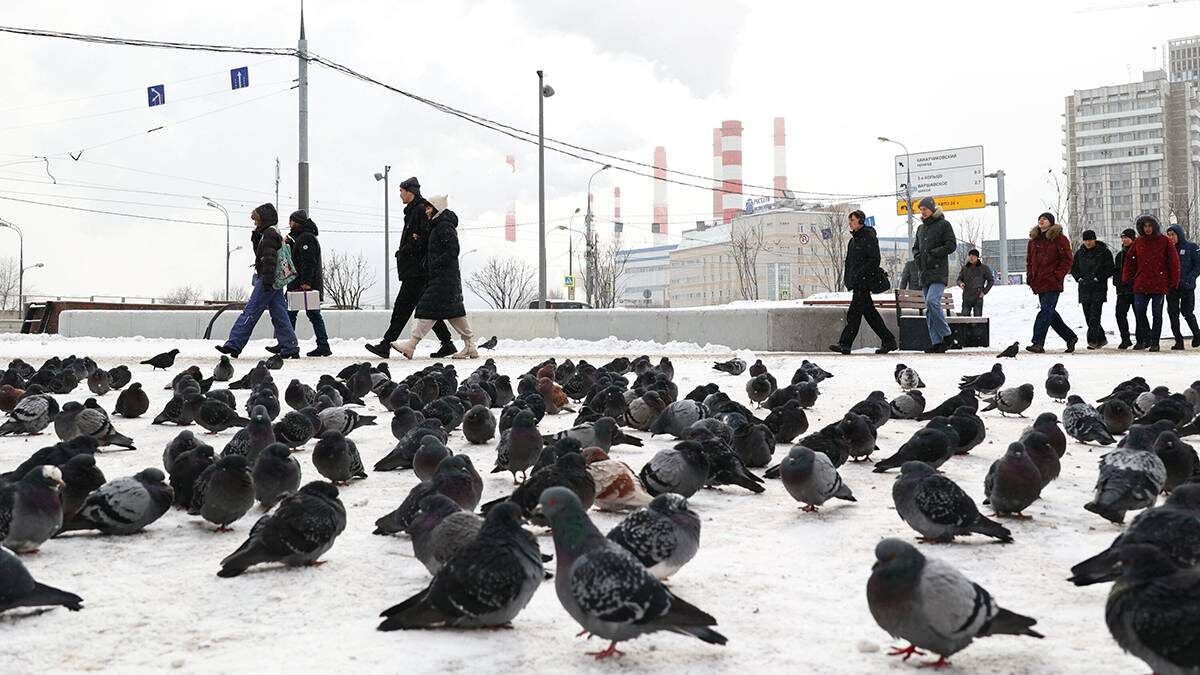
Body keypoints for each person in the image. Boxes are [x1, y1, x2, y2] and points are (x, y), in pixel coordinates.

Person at [364, 177, 456, 359]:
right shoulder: (415, 210)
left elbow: (425, 237)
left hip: (417, 269)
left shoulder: (420, 210)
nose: (400, 195)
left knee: (402, 308)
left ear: (410, 191)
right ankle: (447, 343)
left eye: (401, 191)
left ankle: (386, 344)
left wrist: (406, 250)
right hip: (415, 268)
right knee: (425, 309)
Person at [391, 195, 477, 359]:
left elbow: (453, 250)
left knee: (425, 309)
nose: (427, 211)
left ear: (437, 208)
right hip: (443, 278)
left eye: (429, 208)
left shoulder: (444, 226)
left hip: (443, 278)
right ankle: (470, 345)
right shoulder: (437, 226)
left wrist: (434, 264)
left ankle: (411, 345)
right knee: (455, 313)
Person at [216, 204, 299, 359]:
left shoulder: (268, 234)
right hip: (275, 280)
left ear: (264, 219)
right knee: (279, 313)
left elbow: (268, 259)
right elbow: (262, 254)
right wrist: (255, 237)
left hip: (268, 279)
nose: (254, 222)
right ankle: (290, 346)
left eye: (256, 219)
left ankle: (234, 344)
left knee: (251, 311)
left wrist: (266, 281)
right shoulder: (272, 232)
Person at [828, 210, 896, 355]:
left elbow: (874, 260)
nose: (850, 223)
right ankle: (889, 340)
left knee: (854, 313)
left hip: (865, 281)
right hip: (857, 282)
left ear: (860, 220)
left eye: (852, 220)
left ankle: (845, 344)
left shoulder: (868, 236)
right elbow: (849, 263)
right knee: (870, 314)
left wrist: (860, 274)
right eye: (850, 220)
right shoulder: (853, 240)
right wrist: (849, 279)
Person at [272, 209, 331, 357]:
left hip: (303, 283)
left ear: (297, 222)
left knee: (294, 314)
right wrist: (289, 244)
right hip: (299, 282)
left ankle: (288, 344)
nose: (289, 224)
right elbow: (297, 257)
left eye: (291, 221)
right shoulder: (300, 238)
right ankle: (319, 345)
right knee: (305, 315)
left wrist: (306, 282)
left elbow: (308, 261)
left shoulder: (306, 238)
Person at [1123, 214, 1180, 352]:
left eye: (1150, 225)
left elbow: (1174, 262)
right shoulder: (1138, 242)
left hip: (1159, 284)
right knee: (1140, 312)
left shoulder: (1164, 241)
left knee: (1157, 314)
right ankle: (1147, 336)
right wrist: (1126, 278)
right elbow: (1130, 261)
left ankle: (1155, 341)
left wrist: (1174, 281)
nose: (1147, 228)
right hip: (1141, 283)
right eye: (1145, 226)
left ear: (1154, 226)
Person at [1025, 212, 1077, 354]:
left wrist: (1057, 275)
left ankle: (1038, 342)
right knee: (1049, 313)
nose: (1041, 220)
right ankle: (1070, 337)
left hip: (1053, 282)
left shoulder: (1059, 239)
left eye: (1045, 219)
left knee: (1045, 311)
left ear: (1051, 223)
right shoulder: (1033, 241)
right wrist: (1030, 277)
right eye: (1040, 218)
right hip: (1039, 282)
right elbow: (1029, 261)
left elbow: (1067, 260)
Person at [911, 196, 957, 353]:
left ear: (932, 208)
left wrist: (933, 254)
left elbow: (951, 245)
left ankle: (947, 334)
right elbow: (915, 247)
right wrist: (918, 258)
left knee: (932, 301)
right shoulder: (920, 228)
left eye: (924, 209)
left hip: (938, 271)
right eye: (920, 210)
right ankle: (936, 342)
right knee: (929, 309)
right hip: (924, 273)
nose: (922, 212)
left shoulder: (944, 225)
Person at [1070, 229, 1114, 350]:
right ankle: (1102, 339)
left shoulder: (1104, 252)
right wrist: (1078, 277)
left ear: (1095, 239)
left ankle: (1093, 341)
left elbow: (1110, 268)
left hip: (1098, 288)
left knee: (1095, 316)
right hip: (1084, 288)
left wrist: (1098, 277)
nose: (1088, 243)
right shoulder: (1079, 253)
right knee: (1088, 316)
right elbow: (1074, 268)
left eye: (1090, 240)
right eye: (1085, 240)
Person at [1166, 224, 1200, 350]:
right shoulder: (1167, 249)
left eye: (1173, 235)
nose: (1171, 237)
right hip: (1172, 287)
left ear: (1179, 234)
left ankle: (1197, 334)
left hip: (1187, 286)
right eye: (1169, 235)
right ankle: (1178, 341)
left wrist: (1190, 278)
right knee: (1173, 314)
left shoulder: (1191, 247)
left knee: (1187, 312)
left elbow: (1198, 265)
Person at [1112, 228, 1137, 349]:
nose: (1124, 240)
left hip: (1136, 289)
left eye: (1127, 237)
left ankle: (1142, 338)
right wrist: (1118, 283)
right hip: (1122, 291)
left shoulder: (1138, 252)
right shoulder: (1120, 255)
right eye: (1123, 238)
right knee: (1120, 314)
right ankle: (1125, 338)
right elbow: (1116, 271)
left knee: (1139, 315)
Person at [955, 249, 993, 316]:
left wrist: (984, 292)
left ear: (977, 257)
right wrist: (960, 283)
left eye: (973, 256)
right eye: (970, 255)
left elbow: (991, 281)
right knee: (964, 319)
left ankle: (977, 327)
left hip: (978, 296)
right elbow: (958, 279)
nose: (971, 257)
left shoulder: (984, 268)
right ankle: (966, 327)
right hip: (966, 296)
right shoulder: (965, 268)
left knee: (977, 320)